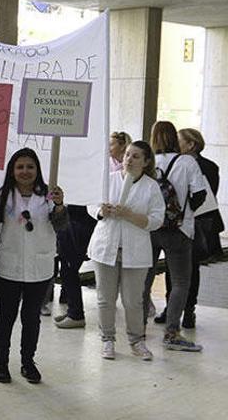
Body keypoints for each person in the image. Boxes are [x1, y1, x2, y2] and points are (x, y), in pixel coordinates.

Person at [0, 148, 67, 385]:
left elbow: (61, 226)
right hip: (9, 265)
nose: (25, 171)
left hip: (39, 268)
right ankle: (1, 364)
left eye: (30, 166)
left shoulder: (49, 195)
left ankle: (28, 363)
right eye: (20, 167)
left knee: (32, 318)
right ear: (12, 170)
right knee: (6, 316)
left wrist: (60, 206)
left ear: (37, 169)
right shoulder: (1, 196)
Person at [88, 140, 164, 361]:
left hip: (135, 250)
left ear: (146, 161)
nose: (129, 159)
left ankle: (136, 340)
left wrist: (130, 215)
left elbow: (157, 219)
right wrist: (101, 211)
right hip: (106, 246)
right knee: (105, 298)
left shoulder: (151, 186)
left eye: (136, 156)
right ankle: (107, 340)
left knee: (133, 300)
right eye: (127, 155)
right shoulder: (109, 180)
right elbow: (91, 205)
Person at [143, 121, 207, 352]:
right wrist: (183, 211)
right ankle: (171, 332)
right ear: (174, 138)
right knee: (180, 282)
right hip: (179, 230)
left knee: (145, 278)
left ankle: (139, 329)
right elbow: (199, 195)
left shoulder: (147, 161)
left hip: (149, 228)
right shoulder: (187, 161)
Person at [173, 128, 224, 328]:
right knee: (176, 267)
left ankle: (188, 310)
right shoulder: (175, 163)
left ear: (191, 144)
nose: (175, 144)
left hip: (197, 223)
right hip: (179, 223)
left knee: (190, 267)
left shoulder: (208, 167)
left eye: (179, 141)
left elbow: (207, 198)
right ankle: (176, 308)